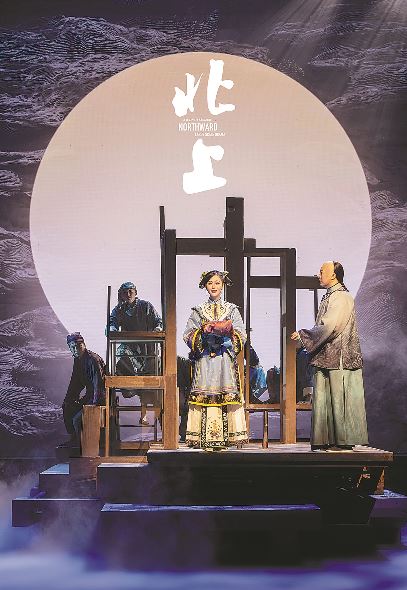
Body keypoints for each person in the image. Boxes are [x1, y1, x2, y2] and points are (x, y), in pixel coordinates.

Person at [291, 261, 368, 451]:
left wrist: (304, 335)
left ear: (333, 275)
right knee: (326, 399)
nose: (319, 275)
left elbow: (331, 326)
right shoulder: (332, 295)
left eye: (322, 271)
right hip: (328, 356)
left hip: (339, 357)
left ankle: (342, 441)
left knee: (338, 398)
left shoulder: (341, 297)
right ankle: (329, 440)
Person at [184, 270, 247, 450]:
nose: (214, 286)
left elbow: (242, 334)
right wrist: (202, 334)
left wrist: (227, 336)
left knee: (225, 393)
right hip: (205, 360)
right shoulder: (198, 310)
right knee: (205, 393)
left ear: (223, 285)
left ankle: (226, 440)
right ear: (205, 285)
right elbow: (187, 334)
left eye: (217, 283)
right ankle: (204, 440)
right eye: (210, 283)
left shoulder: (232, 309)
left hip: (224, 359)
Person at [108, 281, 162, 425]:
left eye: (131, 291)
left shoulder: (146, 306)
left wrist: (157, 329)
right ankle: (131, 391)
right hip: (130, 349)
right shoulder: (119, 309)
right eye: (125, 292)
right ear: (121, 295)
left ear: (135, 292)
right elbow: (112, 322)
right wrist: (112, 328)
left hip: (148, 349)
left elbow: (158, 321)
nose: (128, 294)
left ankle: (146, 415)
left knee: (149, 383)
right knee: (131, 374)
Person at [60, 332, 105, 448]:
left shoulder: (93, 360)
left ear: (84, 345)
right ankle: (74, 439)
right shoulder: (78, 360)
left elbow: (98, 384)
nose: (75, 349)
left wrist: (94, 405)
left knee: (77, 419)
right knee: (67, 407)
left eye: (78, 346)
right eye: (72, 347)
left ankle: (81, 444)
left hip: (100, 398)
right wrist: (69, 400)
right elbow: (75, 383)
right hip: (90, 396)